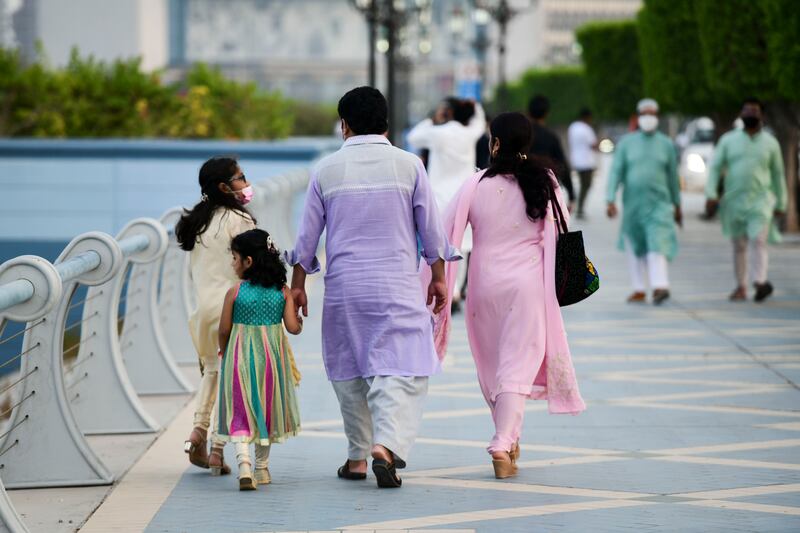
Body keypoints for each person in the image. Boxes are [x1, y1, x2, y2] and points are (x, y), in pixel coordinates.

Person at [286, 87, 459, 488]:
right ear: (385, 122)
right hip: (396, 283)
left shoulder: (326, 170)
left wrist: (298, 286)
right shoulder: (409, 165)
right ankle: (386, 444)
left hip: (345, 286)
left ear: (343, 125)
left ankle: (356, 459)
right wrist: (436, 275)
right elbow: (431, 230)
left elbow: (307, 239)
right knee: (403, 366)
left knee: (350, 370)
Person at [427, 112, 585, 479]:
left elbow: (442, 234)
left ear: (495, 143)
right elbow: (562, 228)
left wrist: (432, 281)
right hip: (529, 289)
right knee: (516, 367)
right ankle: (502, 442)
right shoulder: (545, 182)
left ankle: (508, 439)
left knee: (495, 369)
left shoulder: (475, 184)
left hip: (484, 288)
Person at [176, 156, 257, 476]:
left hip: (203, 313)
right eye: (240, 177)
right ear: (224, 187)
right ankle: (219, 448)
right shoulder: (240, 220)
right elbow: (255, 263)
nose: (245, 182)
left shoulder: (197, 223)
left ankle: (199, 431)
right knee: (235, 381)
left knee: (213, 372)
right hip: (233, 310)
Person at [216, 229, 302, 490]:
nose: (233, 263)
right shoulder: (282, 292)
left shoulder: (235, 292)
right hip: (271, 361)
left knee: (241, 411)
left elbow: (223, 330)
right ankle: (262, 469)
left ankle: (243, 466)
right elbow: (292, 328)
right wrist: (298, 321)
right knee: (265, 410)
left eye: (235, 258)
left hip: (239, 357)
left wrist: (224, 351)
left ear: (248, 262)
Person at [407, 96, 486, 311]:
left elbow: (414, 137)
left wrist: (433, 119)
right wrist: (473, 104)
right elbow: (479, 120)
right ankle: (456, 291)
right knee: (461, 245)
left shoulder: (438, 133)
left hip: (439, 196)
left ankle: (434, 284)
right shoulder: (469, 133)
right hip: (463, 195)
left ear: (447, 113)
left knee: (436, 244)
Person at [705, 97, 787, 302]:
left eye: (754, 111)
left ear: (762, 115)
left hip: (760, 201)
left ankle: (759, 282)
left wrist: (782, 203)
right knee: (739, 245)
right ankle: (741, 286)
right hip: (734, 201)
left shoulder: (771, 143)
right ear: (741, 115)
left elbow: (778, 174)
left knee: (759, 240)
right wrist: (711, 195)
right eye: (746, 111)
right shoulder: (728, 140)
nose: (750, 115)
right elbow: (715, 168)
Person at [606, 99, 681, 305]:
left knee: (657, 243)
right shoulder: (626, 144)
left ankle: (660, 286)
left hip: (660, 204)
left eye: (652, 113)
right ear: (638, 117)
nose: (648, 117)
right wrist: (610, 199)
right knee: (634, 245)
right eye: (644, 113)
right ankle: (638, 288)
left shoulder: (666, 144)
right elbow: (616, 173)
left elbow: (673, 177)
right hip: (633, 206)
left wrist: (677, 204)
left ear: (657, 116)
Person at [527, 95, 575, 210]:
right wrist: (571, 194)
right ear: (546, 113)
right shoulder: (551, 137)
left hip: (523, 187)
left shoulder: (524, 135)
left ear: (529, 112)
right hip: (546, 189)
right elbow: (562, 165)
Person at [567, 108, 599, 218]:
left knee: (582, 185)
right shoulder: (587, 129)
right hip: (586, 161)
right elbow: (593, 145)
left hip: (576, 159)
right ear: (587, 117)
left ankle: (576, 204)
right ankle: (579, 207)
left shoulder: (573, 127)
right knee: (586, 185)